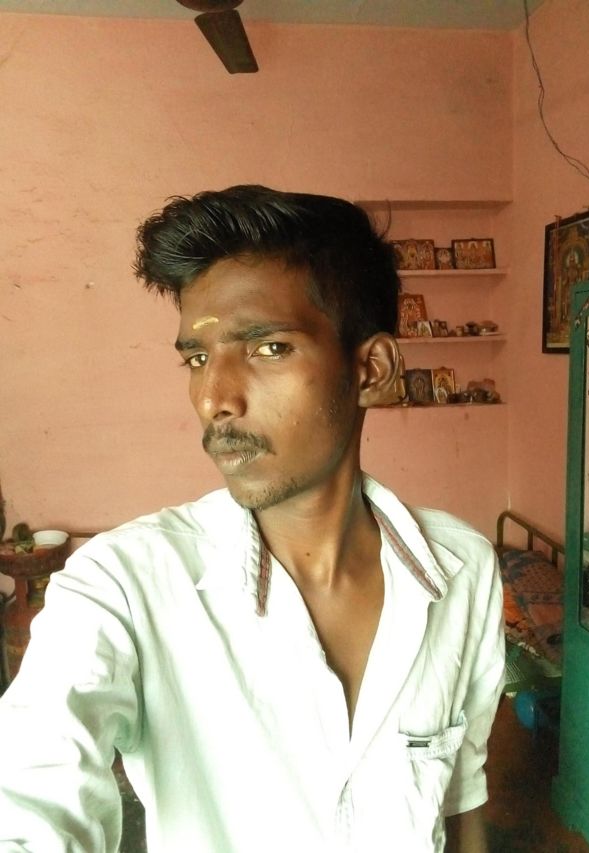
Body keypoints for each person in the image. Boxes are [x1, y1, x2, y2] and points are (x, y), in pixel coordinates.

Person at [0, 186, 504, 853]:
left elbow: (461, 794)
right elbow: (33, 790)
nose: (214, 397)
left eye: (267, 348)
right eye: (197, 358)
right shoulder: (123, 585)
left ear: (371, 370)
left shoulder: (463, 569)